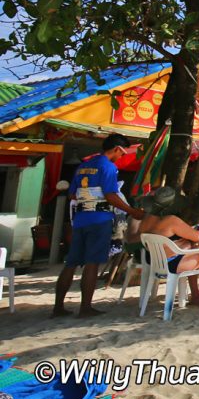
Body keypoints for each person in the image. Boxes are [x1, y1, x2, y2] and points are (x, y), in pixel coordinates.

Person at [53, 134, 145, 317]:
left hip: (80, 219)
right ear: (117, 149)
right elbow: (111, 195)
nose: (121, 156)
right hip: (99, 220)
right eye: (122, 152)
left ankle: (58, 307)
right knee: (92, 263)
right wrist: (132, 211)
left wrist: (88, 198)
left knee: (70, 263)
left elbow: (72, 195)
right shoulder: (108, 167)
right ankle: (85, 307)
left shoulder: (82, 166)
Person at [138, 187, 199, 306]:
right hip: (175, 264)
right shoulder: (171, 220)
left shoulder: (145, 221)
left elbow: (165, 240)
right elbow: (196, 236)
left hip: (156, 264)